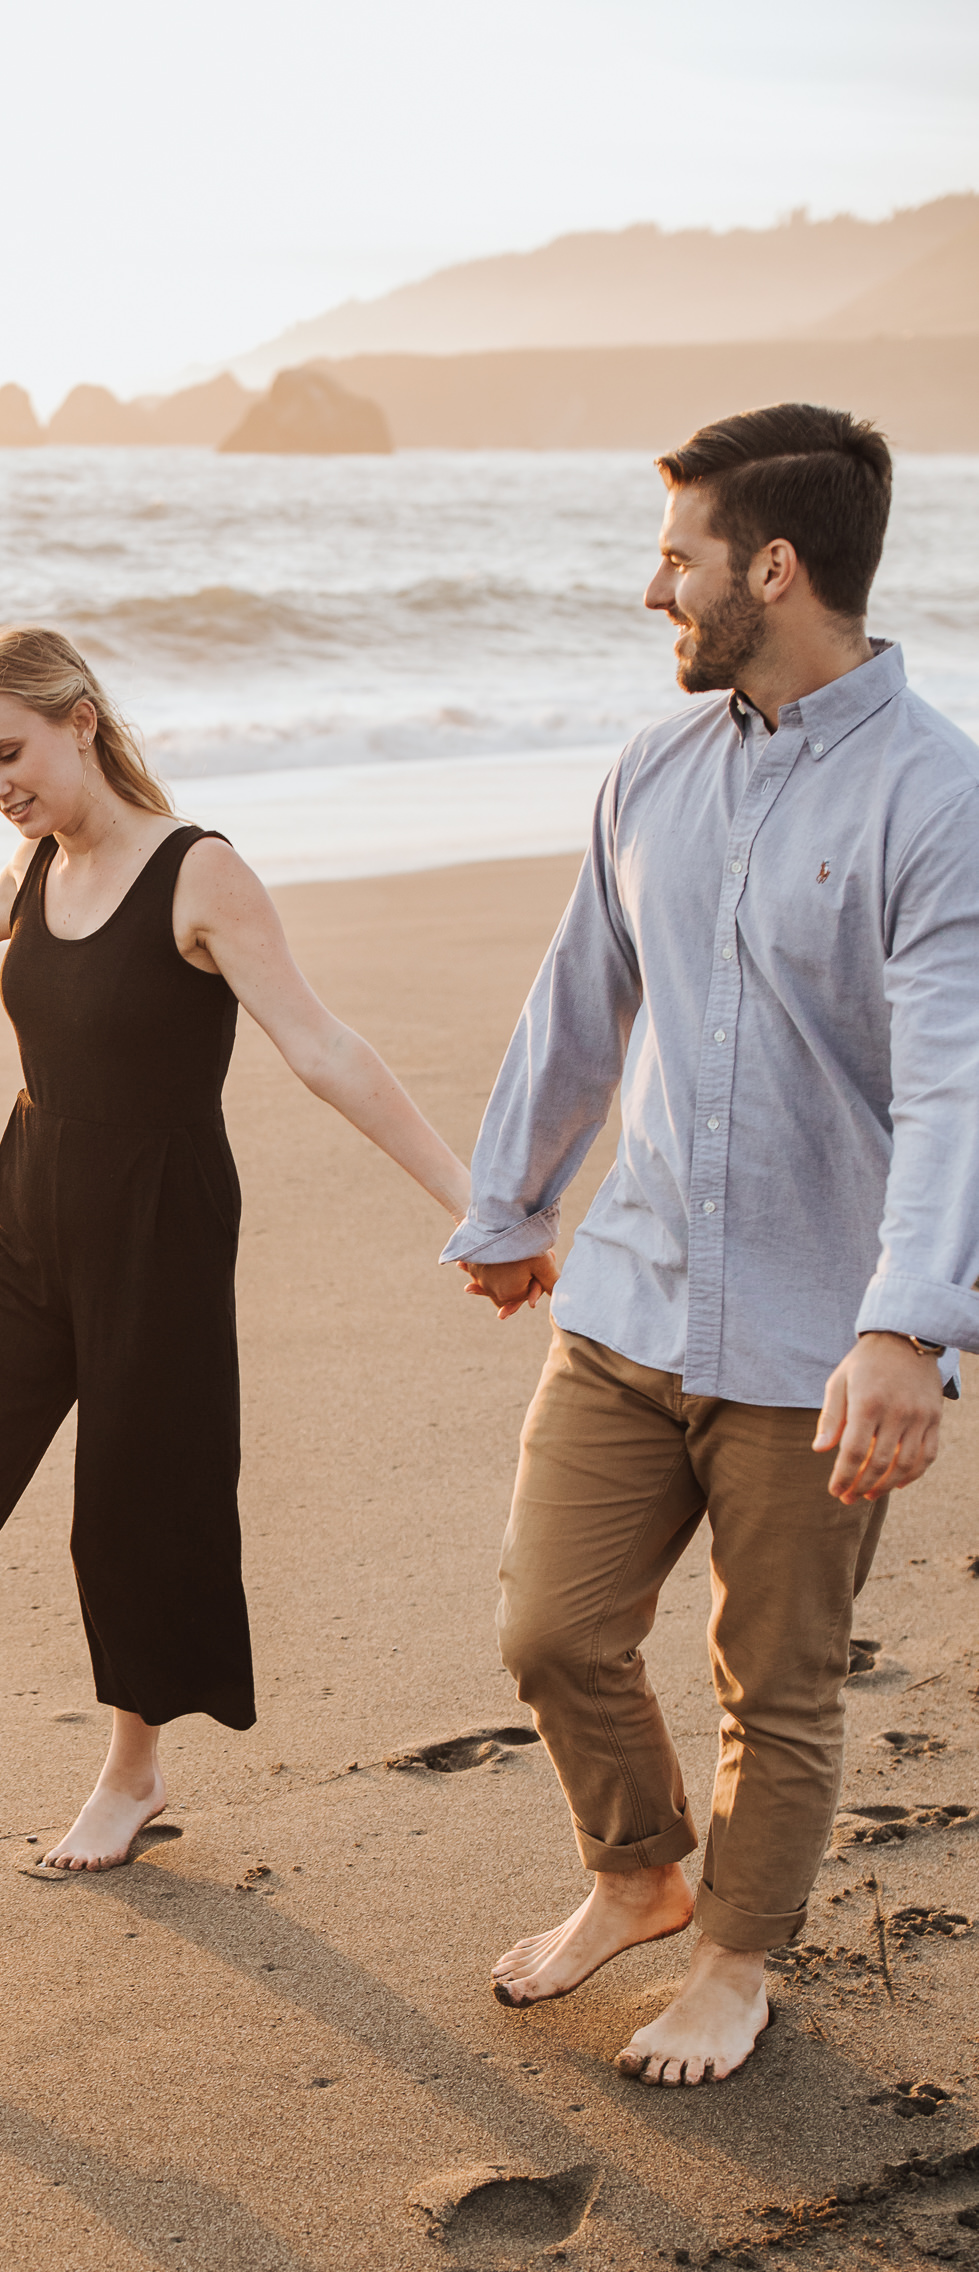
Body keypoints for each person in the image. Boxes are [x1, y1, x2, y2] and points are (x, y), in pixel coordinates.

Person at [0, 626, 470, 1880]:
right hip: (24, 1219)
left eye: (8, 753)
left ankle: (129, 1777)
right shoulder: (36, 870)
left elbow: (323, 1048)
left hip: (160, 1235)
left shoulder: (198, 874)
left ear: (80, 717)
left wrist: (475, 1205)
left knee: (136, 1513)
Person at [443, 402, 979, 2086]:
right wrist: (513, 1206)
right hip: (627, 1295)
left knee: (780, 1683)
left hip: (820, 1339)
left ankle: (735, 1962)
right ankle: (639, 1873)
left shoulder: (937, 798)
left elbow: (963, 1079)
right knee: (551, 1630)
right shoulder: (651, 768)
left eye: (675, 554)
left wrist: (910, 1323)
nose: (651, 589)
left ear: (770, 565)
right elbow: (578, 1006)